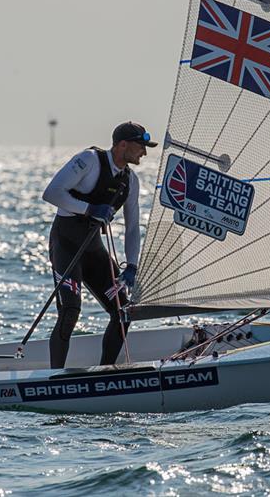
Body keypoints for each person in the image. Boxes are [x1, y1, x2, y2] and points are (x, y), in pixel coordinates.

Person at [42, 121, 157, 368]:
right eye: (141, 146)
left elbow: (132, 227)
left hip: (93, 251)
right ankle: (54, 377)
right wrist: (90, 209)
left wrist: (132, 267)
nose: (144, 153)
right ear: (122, 144)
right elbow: (51, 193)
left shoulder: (131, 181)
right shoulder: (89, 161)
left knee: (123, 311)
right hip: (66, 245)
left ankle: (106, 371)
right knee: (70, 311)